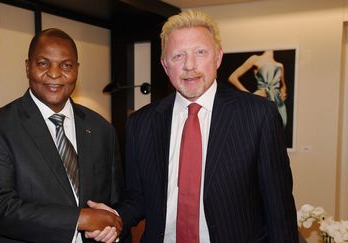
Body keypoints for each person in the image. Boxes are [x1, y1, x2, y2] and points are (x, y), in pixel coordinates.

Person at [87, 10, 298, 242]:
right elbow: (138, 197)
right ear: (165, 65)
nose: (189, 65)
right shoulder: (141, 123)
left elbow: (279, 209)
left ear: (217, 58)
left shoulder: (259, 115)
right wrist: (116, 217)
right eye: (178, 56)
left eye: (200, 52)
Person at [0, 28, 124, 243]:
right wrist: (79, 218)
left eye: (66, 65)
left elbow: (115, 203)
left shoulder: (102, 129)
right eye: (43, 63)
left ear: (77, 70)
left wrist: (113, 227)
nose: (54, 73)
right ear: (27, 67)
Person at [228, 50, 288, 127]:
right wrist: (250, 95)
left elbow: (284, 85)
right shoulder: (256, 59)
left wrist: (282, 94)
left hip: (278, 104)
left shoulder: (280, 65)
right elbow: (232, 78)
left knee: (278, 130)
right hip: (262, 101)